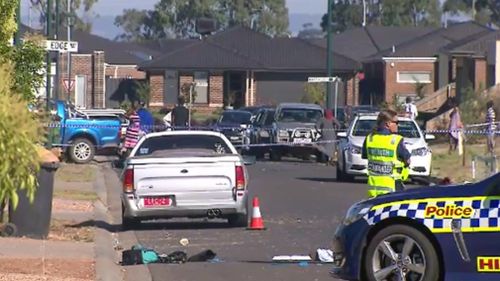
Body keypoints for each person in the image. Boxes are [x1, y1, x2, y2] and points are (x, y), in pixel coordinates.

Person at [362, 109, 411, 198]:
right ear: (388, 123)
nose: (398, 125)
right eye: (396, 122)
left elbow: (366, 156)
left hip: (374, 189)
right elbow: (407, 160)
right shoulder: (396, 140)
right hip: (394, 188)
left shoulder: (370, 138)